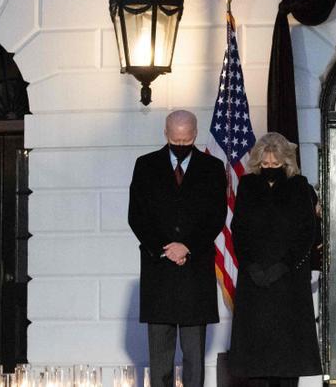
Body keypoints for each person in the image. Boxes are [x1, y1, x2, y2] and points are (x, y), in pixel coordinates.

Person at [128, 110, 228, 387]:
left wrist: (187, 247)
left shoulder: (212, 168)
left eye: (186, 140)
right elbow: (136, 215)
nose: (180, 145)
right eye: (175, 139)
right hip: (159, 272)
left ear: (195, 135)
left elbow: (216, 216)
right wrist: (165, 249)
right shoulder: (145, 165)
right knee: (160, 357)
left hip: (195, 274)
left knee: (194, 359)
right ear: (165, 133)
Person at [228, 132, 322, 386]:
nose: (270, 168)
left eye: (275, 164)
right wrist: (251, 266)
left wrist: (283, 266)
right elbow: (239, 230)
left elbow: (307, 232)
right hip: (254, 281)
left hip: (289, 282)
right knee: (256, 357)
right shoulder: (247, 185)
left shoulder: (299, 186)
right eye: (265, 164)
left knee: (288, 356)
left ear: (286, 163)